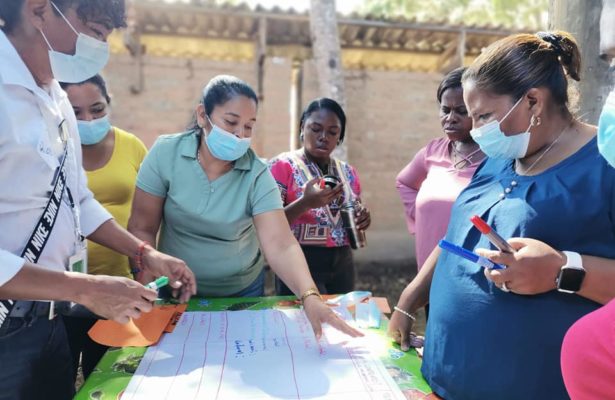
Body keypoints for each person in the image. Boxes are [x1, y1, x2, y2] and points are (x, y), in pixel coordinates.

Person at [388, 31, 615, 399]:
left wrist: (562, 269)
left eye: (484, 117)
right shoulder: (500, 158)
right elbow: (457, 236)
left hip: (529, 383)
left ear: (532, 102)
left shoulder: (605, 165)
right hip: (446, 371)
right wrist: (410, 299)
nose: (476, 132)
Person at [0, 1, 195, 399]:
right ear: (39, 11)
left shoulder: (55, 98)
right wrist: (85, 289)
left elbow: (78, 202)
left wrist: (143, 253)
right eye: (95, 29)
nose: (102, 45)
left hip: (49, 322)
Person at [128, 76, 362, 339]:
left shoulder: (257, 174)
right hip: (172, 286)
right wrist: (143, 277)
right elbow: (142, 226)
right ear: (203, 115)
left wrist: (310, 297)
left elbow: (280, 244)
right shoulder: (166, 153)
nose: (240, 135)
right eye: (231, 122)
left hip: (241, 291)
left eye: (249, 126)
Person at [60, 74, 148, 380]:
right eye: (76, 113)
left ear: (109, 103)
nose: (88, 119)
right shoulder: (55, 152)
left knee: (109, 378)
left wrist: (145, 261)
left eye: (97, 109)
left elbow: (148, 215)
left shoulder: (131, 146)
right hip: (60, 291)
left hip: (119, 288)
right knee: (61, 377)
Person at [395, 67, 484, 316]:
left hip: (470, 281)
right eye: (445, 110)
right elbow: (404, 183)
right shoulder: (433, 152)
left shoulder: (496, 160)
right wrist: (419, 219)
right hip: (427, 276)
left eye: (461, 111)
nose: (450, 118)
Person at [560, 5, 615, 398]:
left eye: (485, 114)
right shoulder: (495, 164)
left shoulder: (597, 166)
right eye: (613, 63)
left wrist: (563, 270)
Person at [268, 98, 371, 295]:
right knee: (302, 323)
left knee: (338, 320)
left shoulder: (348, 172)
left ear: (340, 137)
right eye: (315, 129)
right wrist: (305, 203)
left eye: (333, 132)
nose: (324, 137)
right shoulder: (281, 167)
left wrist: (364, 218)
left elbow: (354, 211)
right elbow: (270, 224)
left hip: (343, 262)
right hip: (298, 259)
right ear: (302, 128)